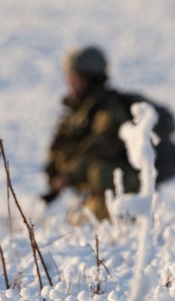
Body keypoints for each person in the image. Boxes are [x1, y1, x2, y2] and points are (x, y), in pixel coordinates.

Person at [44, 46, 141, 221]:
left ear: (87, 79)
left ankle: (115, 220)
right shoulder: (80, 110)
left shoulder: (109, 110)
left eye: (73, 78)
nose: (69, 83)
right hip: (95, 189)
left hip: (125, 183)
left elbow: (100, 147)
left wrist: (69, 175)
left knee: (100, 172)